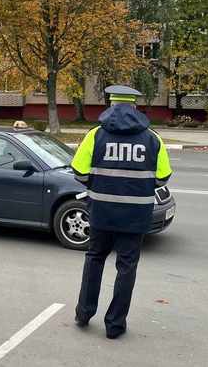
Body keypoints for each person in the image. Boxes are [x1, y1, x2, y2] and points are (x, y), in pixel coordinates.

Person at [70, 85, 173, 340]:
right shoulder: (152, 138)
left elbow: (79, 172)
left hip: (101, 213)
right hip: (135, 216)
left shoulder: (95, 135)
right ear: (135, 107)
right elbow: (163, 178)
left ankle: (84, 313)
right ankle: (115, 325)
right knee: (126, 268)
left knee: (94, 259)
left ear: (111, 105)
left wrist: (100, 185)